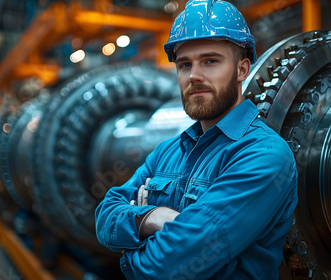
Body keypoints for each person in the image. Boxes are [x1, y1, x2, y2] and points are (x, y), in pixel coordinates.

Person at [95, 1, 298, 279]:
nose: (194, 76)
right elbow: (105, 214)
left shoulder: (264, 157)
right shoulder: (167, 152)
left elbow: (168, 267)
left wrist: (132, 245)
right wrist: (152, 218)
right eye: (184, 64)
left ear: (242, 69)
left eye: (210, 61)